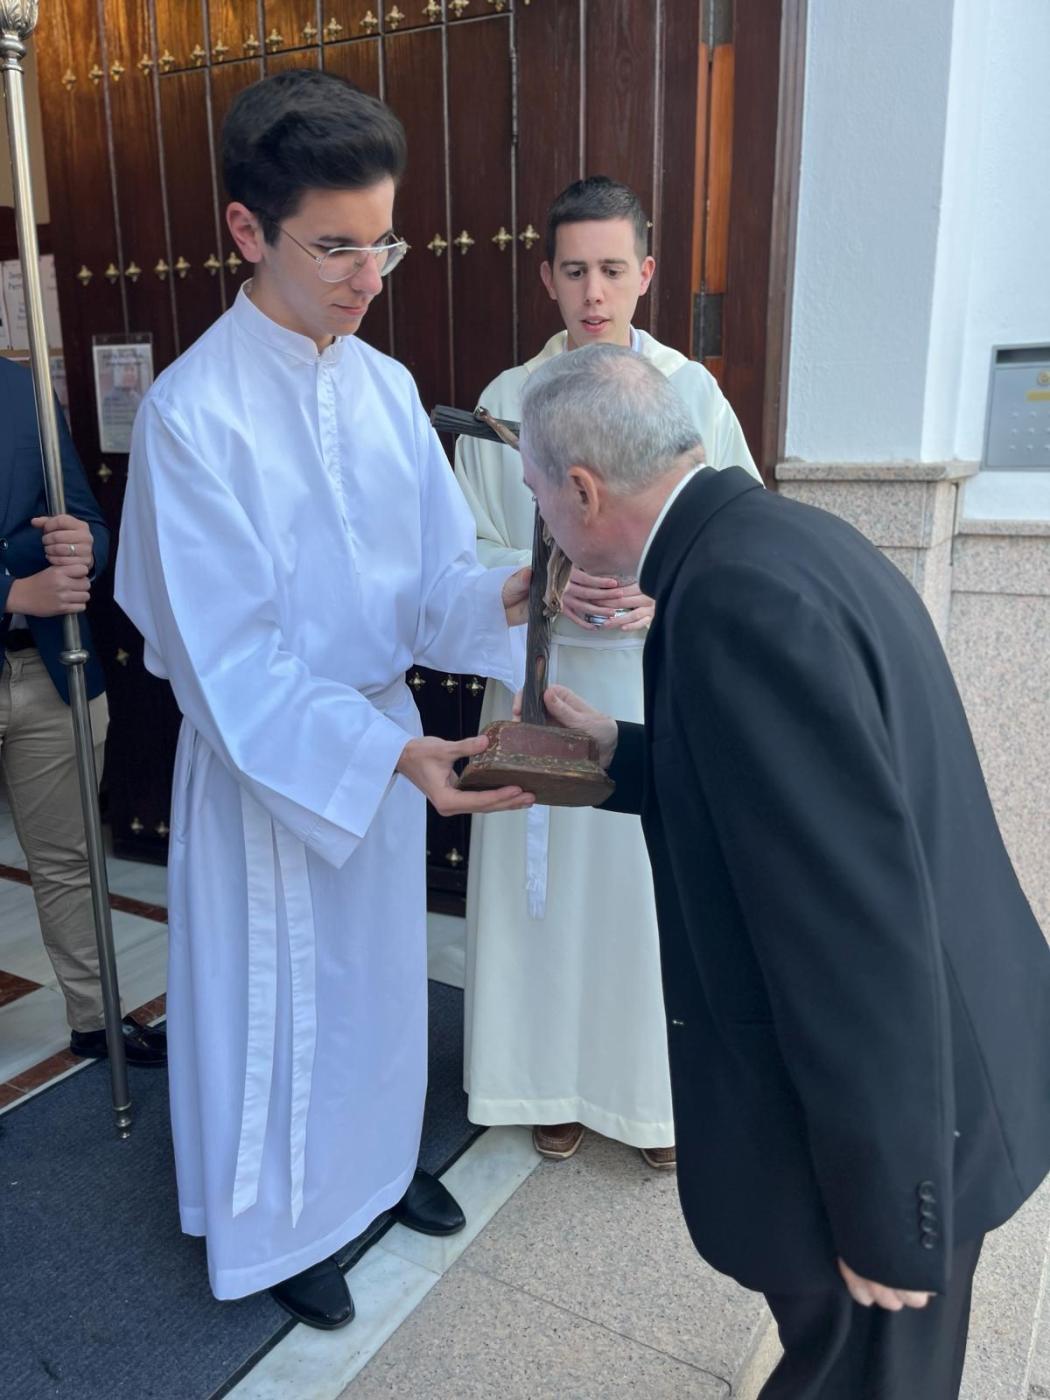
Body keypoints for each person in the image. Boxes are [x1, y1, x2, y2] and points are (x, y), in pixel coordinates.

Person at [515, 344, 1050, 1399]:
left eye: (535, 493)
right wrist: (618, 754)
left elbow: (853, 932)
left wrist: (893, 1212)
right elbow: (787, 798)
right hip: (946, 1069)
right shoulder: (773, 538)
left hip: (913, 1118)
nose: (542, 519)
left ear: (581, 488)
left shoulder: (731, 599)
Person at [115, 71, 532, 1331]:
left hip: (381, 733)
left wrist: (519, 589)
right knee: (276, 996)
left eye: (384, 240)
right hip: (272, 761)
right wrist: (388, 752)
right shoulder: (193, 414)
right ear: (249, 229)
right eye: (336, 245)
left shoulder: (387, 386)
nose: (369, 275)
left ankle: (371, 1169)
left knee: (379, 980)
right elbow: (226, 659)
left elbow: (432, 583)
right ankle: (279, 1220)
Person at [455, 176, 760, 1167]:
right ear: (546, 275)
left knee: (642, 894)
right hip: (539, 674)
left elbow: (737, 534)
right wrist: (539, 579)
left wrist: (660, 590)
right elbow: (465, 547)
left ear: (647, 273)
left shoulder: (690, 392)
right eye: (575, 270)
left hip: (644, 680)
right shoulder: (509, 400)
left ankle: (652, 1099)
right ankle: (547, 1080)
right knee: (548, 901)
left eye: (613, 270)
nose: (594, 292)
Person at [0, 357, 165, 1067]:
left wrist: (82, 548)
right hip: (24, 616)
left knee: (69, 858)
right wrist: (12, 586)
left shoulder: (17, 387)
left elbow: (86, 519)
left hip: (45, 668)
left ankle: (96, 1018)